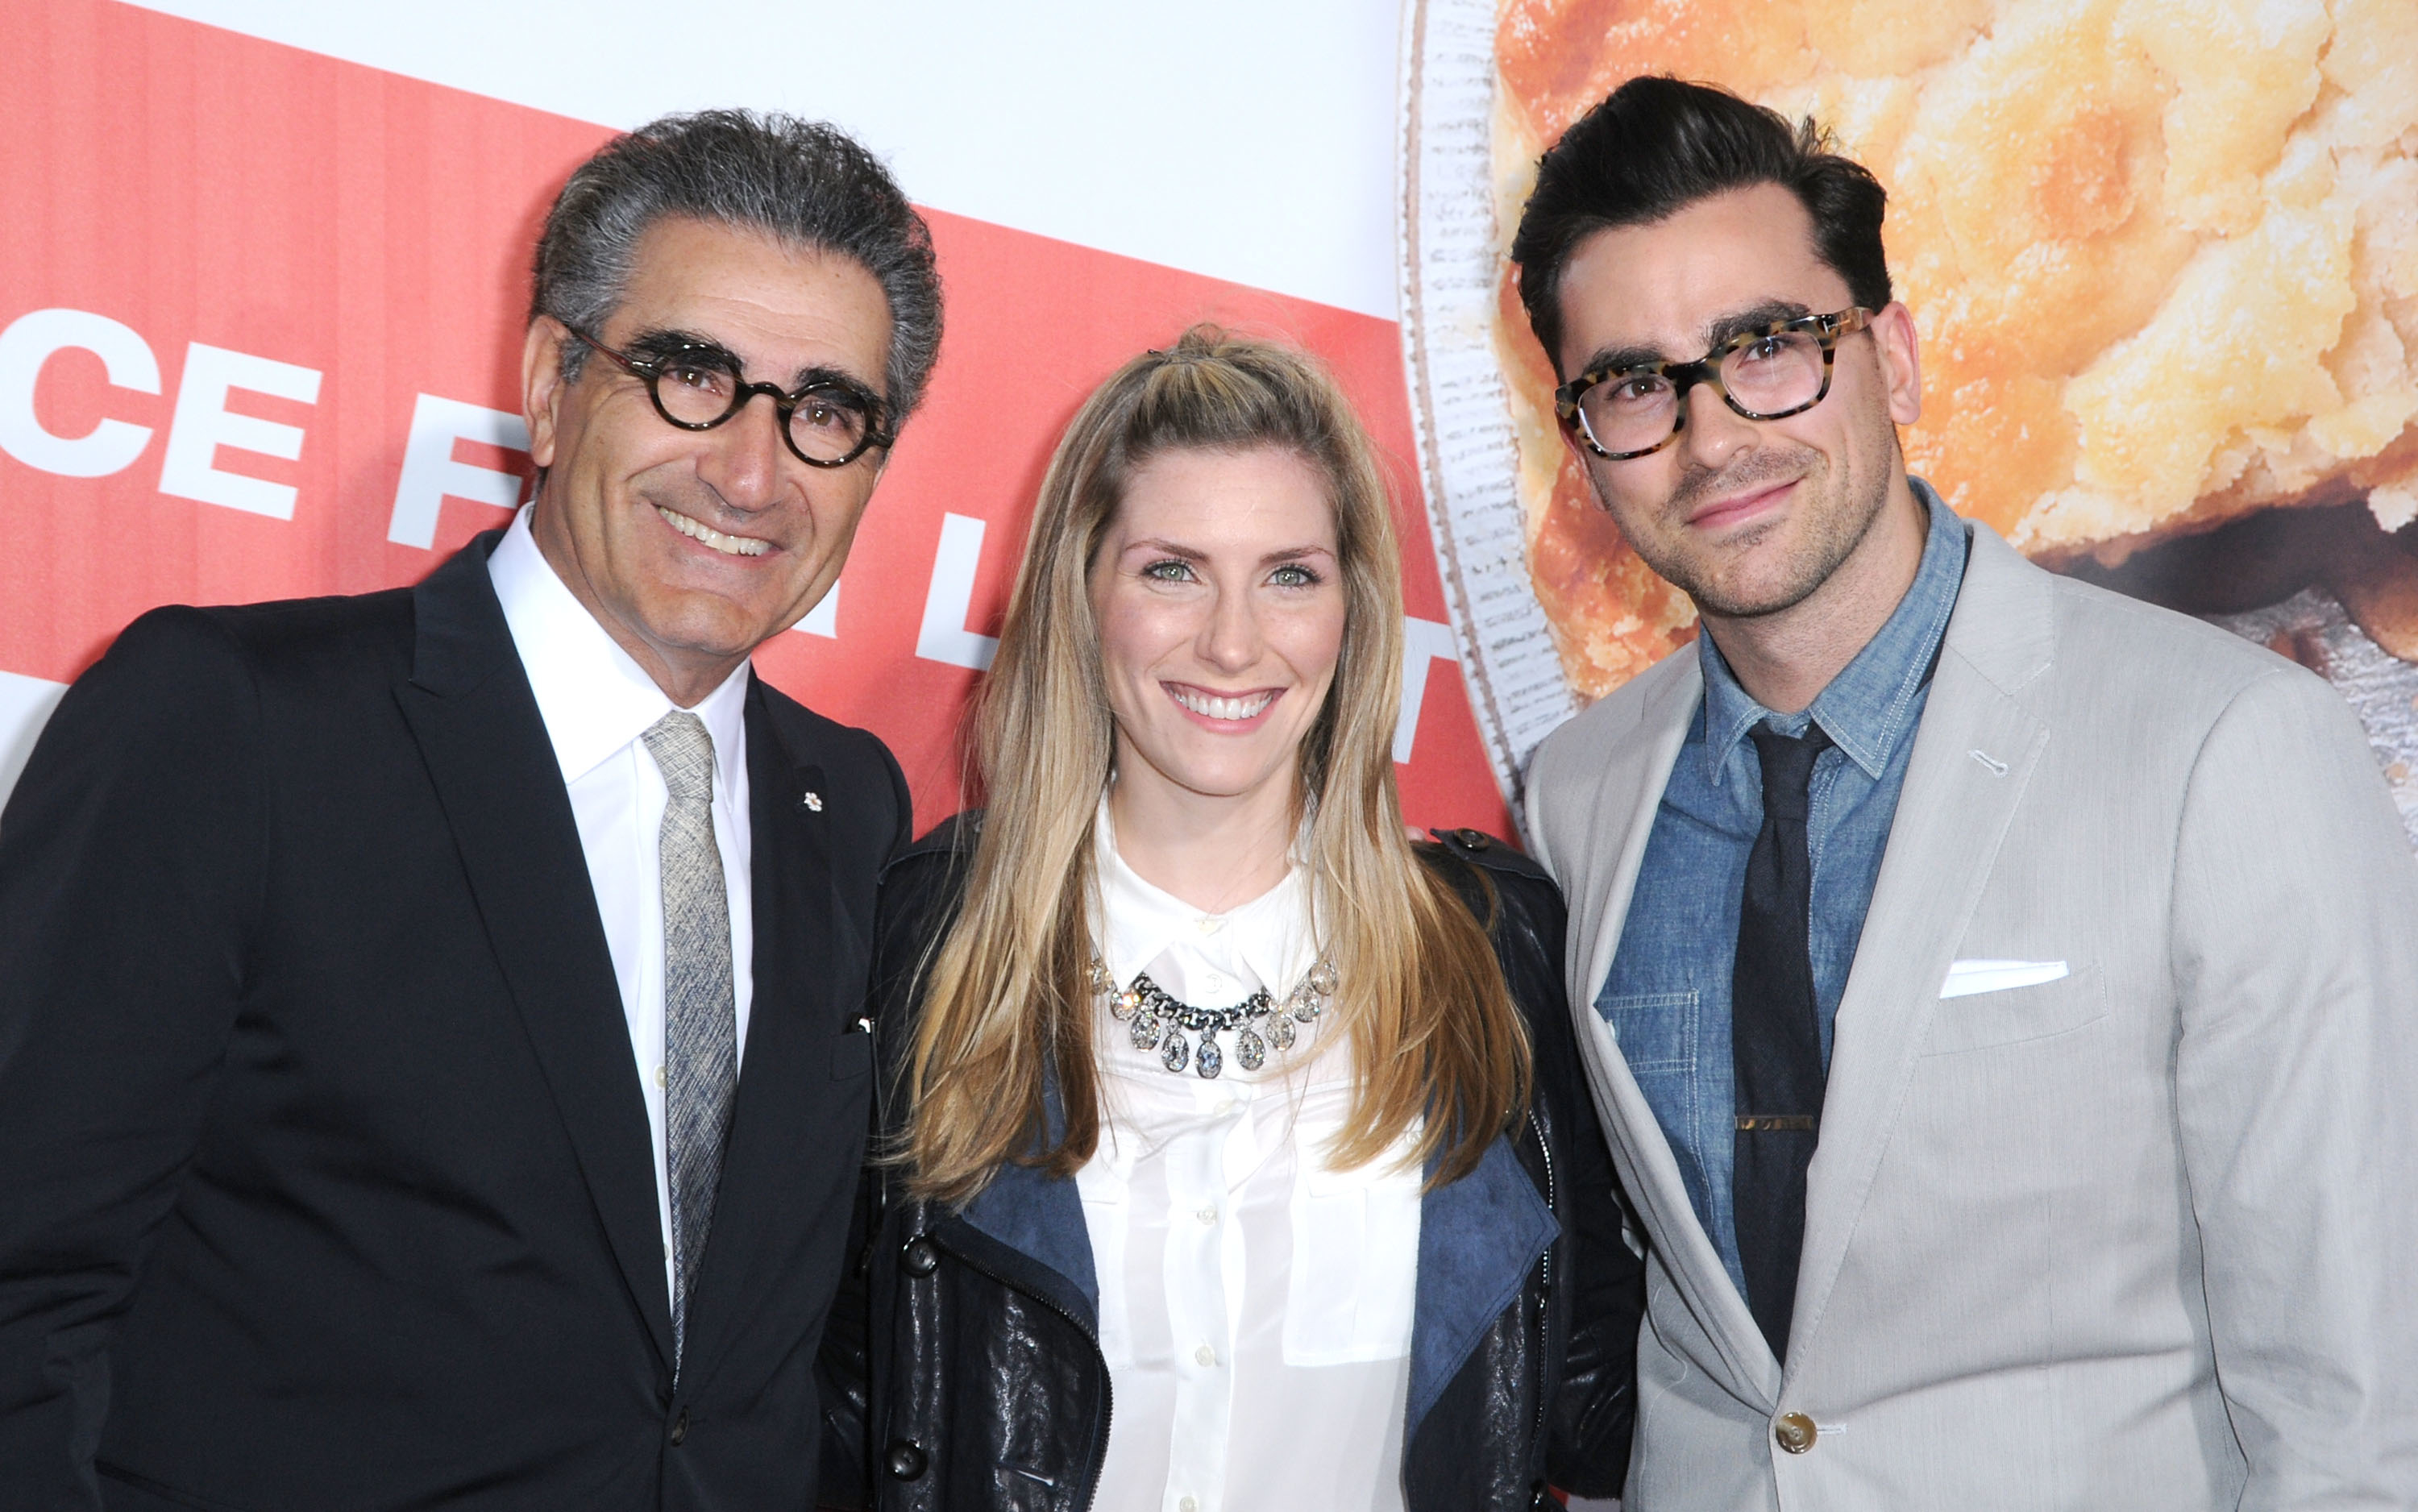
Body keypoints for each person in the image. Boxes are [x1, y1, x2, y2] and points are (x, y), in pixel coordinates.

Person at [0, 110, 940, 1510]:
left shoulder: (853, 805)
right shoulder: (234, 722)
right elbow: (25, 1288)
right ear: (556, 383)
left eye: (824, 411)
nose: (753, 473)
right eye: (691, 376)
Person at [1507, 74, 2418, 1510]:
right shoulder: (1578, 799)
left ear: (1898, 362)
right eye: (1634, 384)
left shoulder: (2230, 751)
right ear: (1586, 452)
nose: (1712, 435)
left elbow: (2359, 1410)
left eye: (1766, 348)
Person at [822, 328, 1642, 1512]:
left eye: (1289, 575)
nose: (1233, 641)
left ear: (1353, 613)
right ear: (1083, 591)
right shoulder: (929, 940)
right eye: (1172, 570)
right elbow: (832, 1401)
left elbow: (1597, 1400)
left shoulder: (1492, 948)